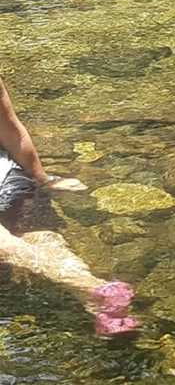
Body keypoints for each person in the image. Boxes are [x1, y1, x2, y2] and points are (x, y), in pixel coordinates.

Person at [0, 78, 139, 336]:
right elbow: (12, 132)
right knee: (42, 237)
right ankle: (100, 302)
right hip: (9, 180)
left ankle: (91, 289)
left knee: (6, 244)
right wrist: (44, 179)